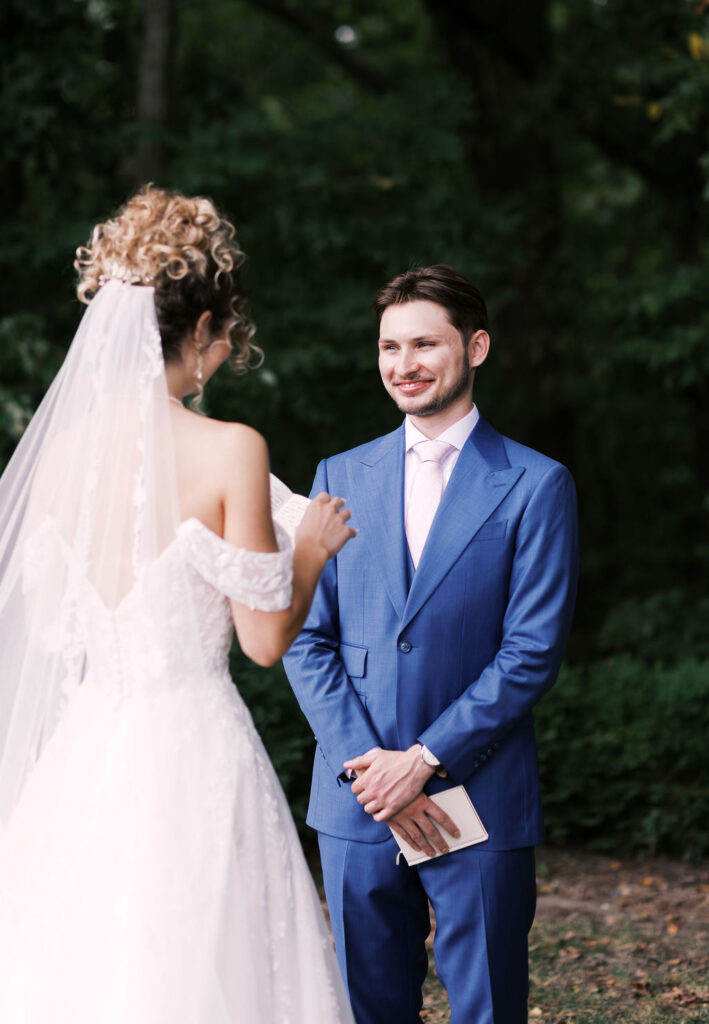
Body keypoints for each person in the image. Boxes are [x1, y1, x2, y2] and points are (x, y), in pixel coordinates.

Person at [0, 186, 357, 1023]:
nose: (224, 353)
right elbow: (266, 640)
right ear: (199, 331)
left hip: (84, 753)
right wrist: (308, 554)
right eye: (225, 337)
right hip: (194, 748)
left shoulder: (59, 464)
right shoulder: (232, 447)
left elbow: (51, 628)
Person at [283, 264, 579, 1024]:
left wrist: (422, 762)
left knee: (486, 1004)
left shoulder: (536, 485)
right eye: (388, 346)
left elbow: (530, 652)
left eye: (424, 343)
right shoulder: (338, 473)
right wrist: (371, 772)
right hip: (358, 803)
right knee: (367, 1007)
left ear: (475, 347)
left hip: (475, 791)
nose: (403, 364)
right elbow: (305, 637)